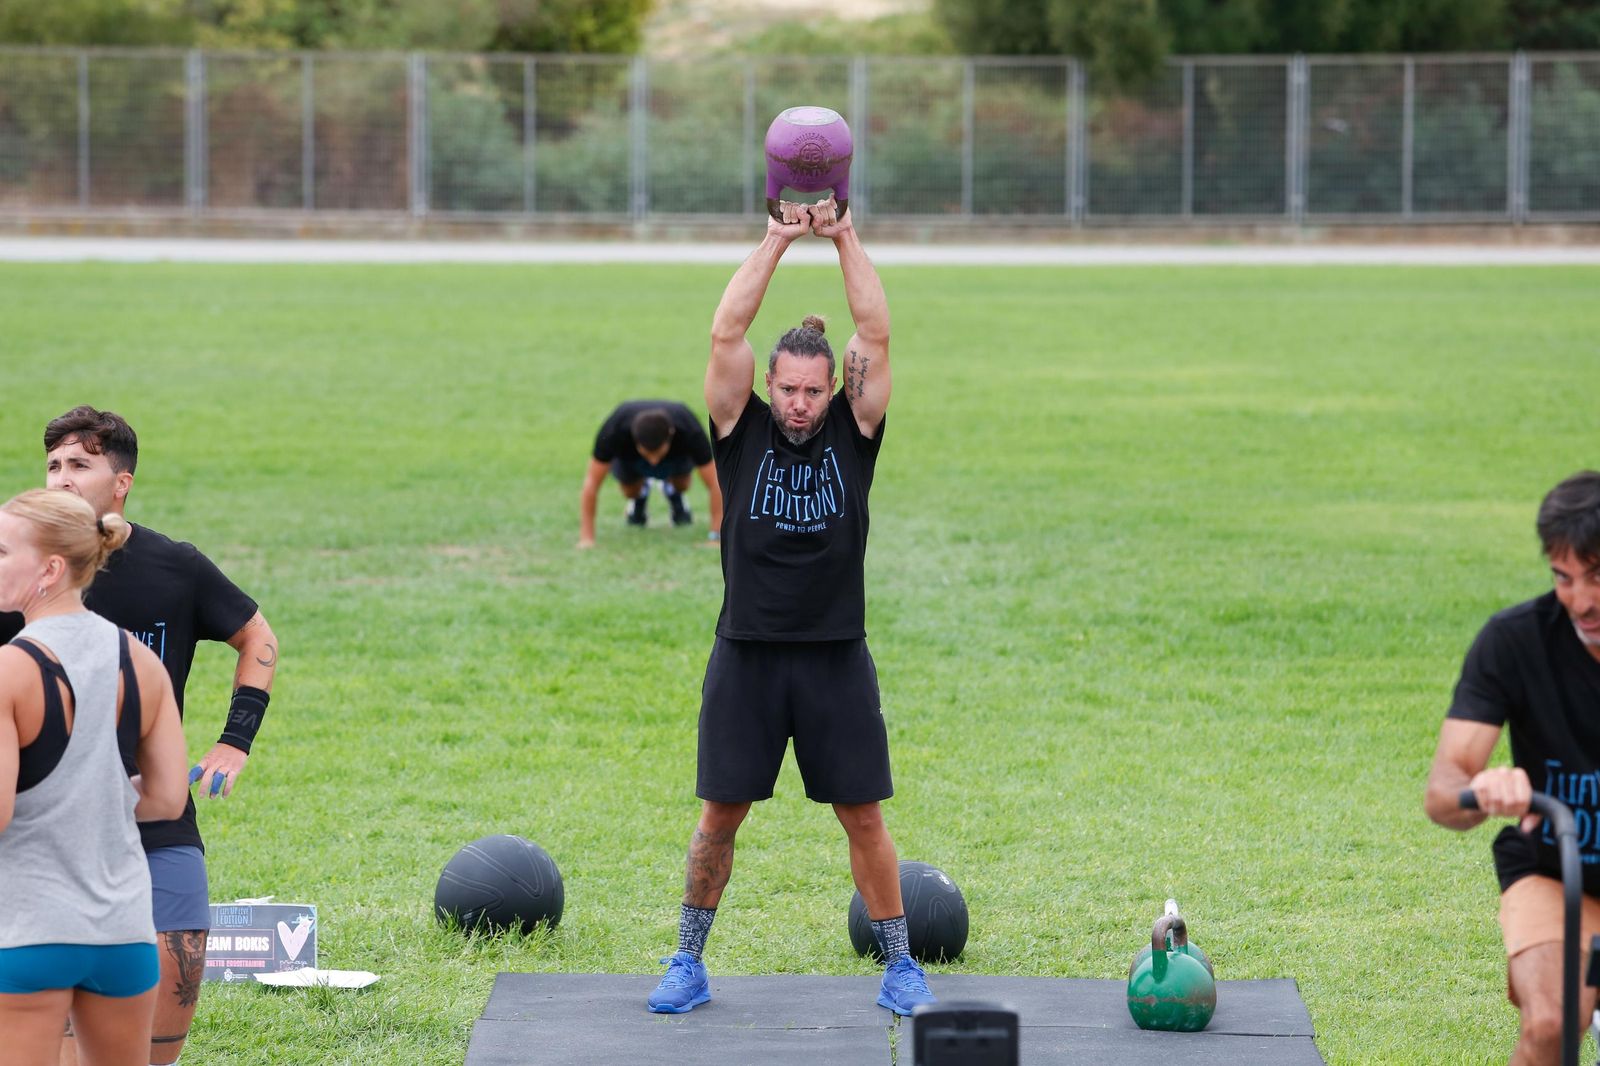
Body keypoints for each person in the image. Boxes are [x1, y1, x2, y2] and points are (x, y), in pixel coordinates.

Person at [646, 196, 936, 1017]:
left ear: (830, 389)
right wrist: (777, 237)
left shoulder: (857, 427)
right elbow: (725, 334)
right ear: (768, 388)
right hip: (747, 653)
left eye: (815, 390)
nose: (804, 403)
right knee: (718, 819)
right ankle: (687, 960)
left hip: (835, 654)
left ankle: (901, 967)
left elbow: (875, 335)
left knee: (864, 819)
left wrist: (842, 235)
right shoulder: (739, 430)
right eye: (791, 390)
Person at [0, 406, 279, 1066]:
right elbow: (155, 792)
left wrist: (235, 740)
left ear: (120, 483)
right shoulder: (42, 612)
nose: (62, 478)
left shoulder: (172, 572)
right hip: (72, 866)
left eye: (79, 464)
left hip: (131, 855)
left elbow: (258, 635)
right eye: (53, 465)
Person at [0, 488, 189, 1066]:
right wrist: (94, 800)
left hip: (30, 930)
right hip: (123, 933)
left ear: (50, 569)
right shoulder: (142, 661)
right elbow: (165, 797)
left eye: (3, 550)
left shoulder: (10, 667)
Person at [1425, 471, 1600, 1065]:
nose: (1582, 601)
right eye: (1564, 578)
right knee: (1552, 1025)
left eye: (1598, 576)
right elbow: (1442, 793)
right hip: (1554, 869)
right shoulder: (1515, 640)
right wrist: (1482, 788)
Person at [577, 400, 723, 548]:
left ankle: (673, 493)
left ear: (670, 435)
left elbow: (716, 484)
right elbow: (591, 483)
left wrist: (715, 536)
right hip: (631, 458)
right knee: (630, 492)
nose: (653, 462)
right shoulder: (616, 429)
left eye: (658, 453)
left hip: (676, 455)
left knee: (682, 485)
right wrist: (586, 538)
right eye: (647, 454)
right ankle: (639, 497)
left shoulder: (688, 428)